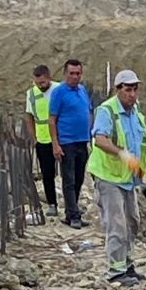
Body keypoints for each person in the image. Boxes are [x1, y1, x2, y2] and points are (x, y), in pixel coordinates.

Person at [88, 68, 146, 283]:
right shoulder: (107, 111)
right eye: (127, 89)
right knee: (117, 223)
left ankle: (127, 263)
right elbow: (100, 139)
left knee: (133, 221)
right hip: (108, 176)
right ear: (118, 90)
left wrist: (140, 167)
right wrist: (122, 154)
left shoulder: (135, 111)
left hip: (127, 177)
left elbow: (139, 141)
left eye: (134, 89)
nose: (132, 94)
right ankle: (116, 272)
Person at [48, 57, 94, 227]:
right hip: (67, 142)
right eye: (71, 73)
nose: (75, 76)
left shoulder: (82, 90)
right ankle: (73, 215)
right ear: (65, 73)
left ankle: (72, 212)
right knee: (69, 180)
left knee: (79, 178)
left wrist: (90, 133)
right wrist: (55, 143)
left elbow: (88, 111)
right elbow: (52, 119)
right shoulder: (59, 92)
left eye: (78, 73)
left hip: (82, 141)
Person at [24, 64, 58, 216]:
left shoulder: (59, 89)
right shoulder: (31, 94)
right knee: (47, 173)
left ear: (49, 77)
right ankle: (52, 204)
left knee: (69, 174)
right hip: (43, 140)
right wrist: (34, 139)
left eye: (43, 82)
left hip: (61, 137)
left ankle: (72, 205)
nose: (40, 86)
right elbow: (29, 117)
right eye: (38, 83)